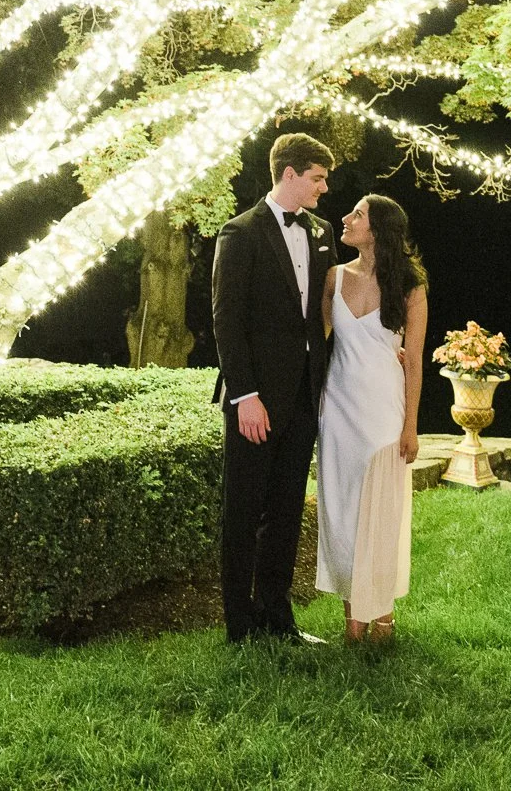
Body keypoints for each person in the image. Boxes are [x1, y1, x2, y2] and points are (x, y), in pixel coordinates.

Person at [212, 132, 337, 644]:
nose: (324, 188)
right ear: (289, 174)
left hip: (305, 398)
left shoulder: (324, 232)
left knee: (286, 511)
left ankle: (277, 619)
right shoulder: (239, 234)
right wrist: (244, 396)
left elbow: (328, 313)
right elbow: (226, 320)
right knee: (242, 512)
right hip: (256, 401)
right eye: (317, 178)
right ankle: (239, 628)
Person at [316, 193, 427, 642]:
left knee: (380, 513)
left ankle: (382, 618)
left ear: (378, 229)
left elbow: (414, 362)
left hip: (384, 412)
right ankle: (352, 622)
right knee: (342, 513)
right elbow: (316, 343)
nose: (345, 219)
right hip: (338, 411)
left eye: (357, 214)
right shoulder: (333, 277)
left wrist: (411, 427)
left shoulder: (410, 286)